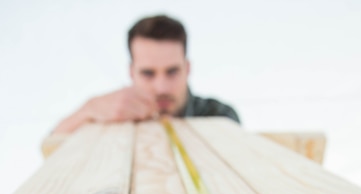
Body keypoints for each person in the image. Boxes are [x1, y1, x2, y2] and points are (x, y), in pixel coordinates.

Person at [53, 14, 240, 134]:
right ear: (131, 73)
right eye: (148, 73)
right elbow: (51, 147)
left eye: (172, 71)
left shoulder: (219, 115)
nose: (162, 88)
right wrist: (89, 109)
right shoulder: (112, 115)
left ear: (188, 69)